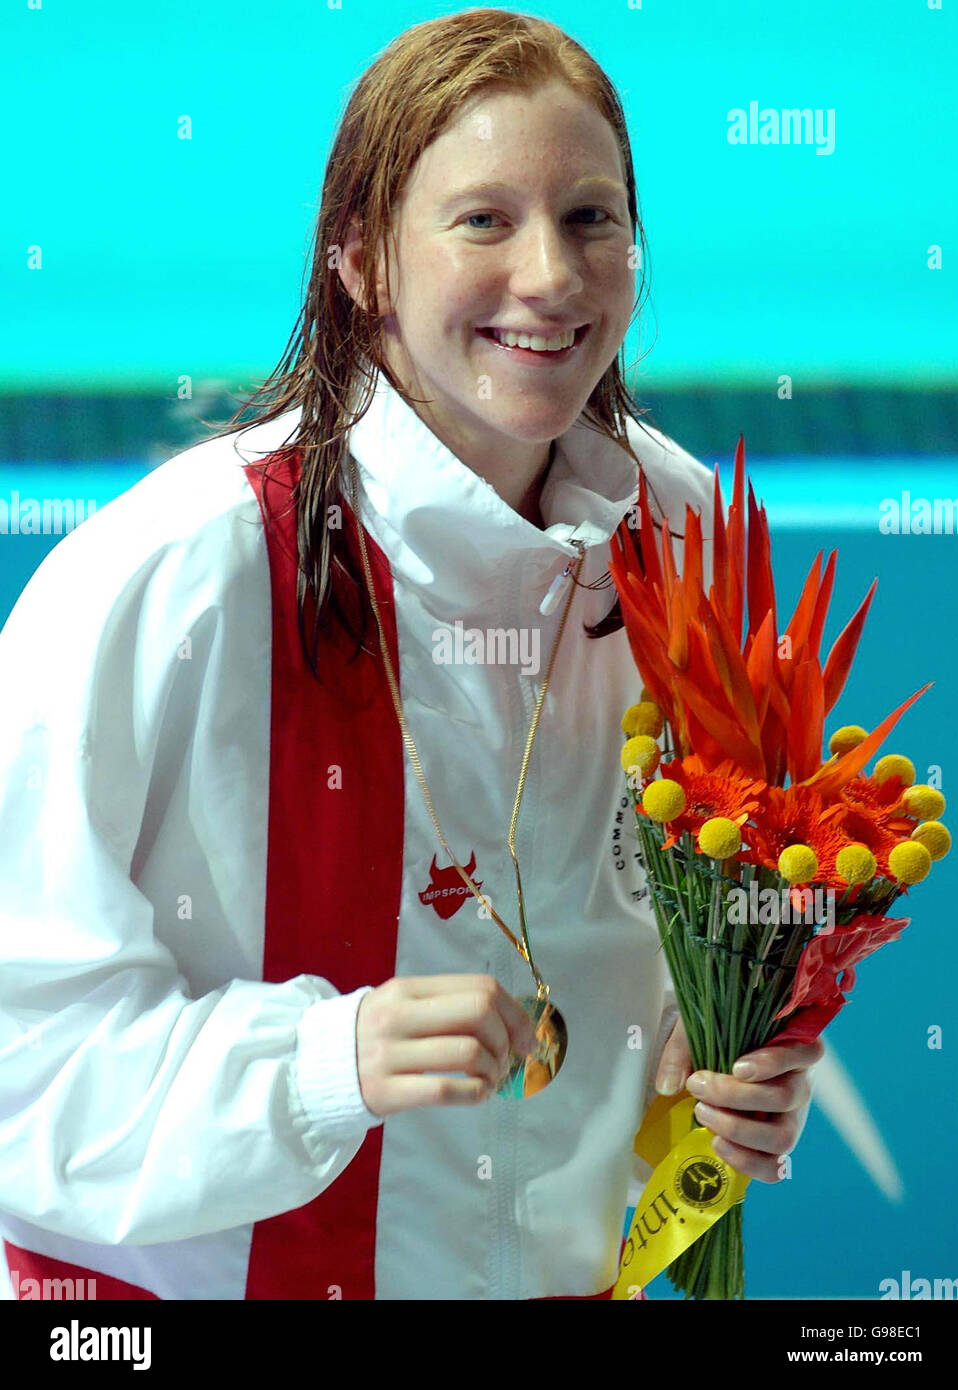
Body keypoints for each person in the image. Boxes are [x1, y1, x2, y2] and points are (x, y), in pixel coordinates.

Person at [0, 9, 821, 1302]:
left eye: (591, 218)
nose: (551, 274)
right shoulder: (178, 571)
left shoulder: (686, 542)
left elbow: (687, 942)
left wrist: (719, 1070)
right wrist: (323, 1064)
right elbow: (20, 1061)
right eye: (483, 220)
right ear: (361, 259)